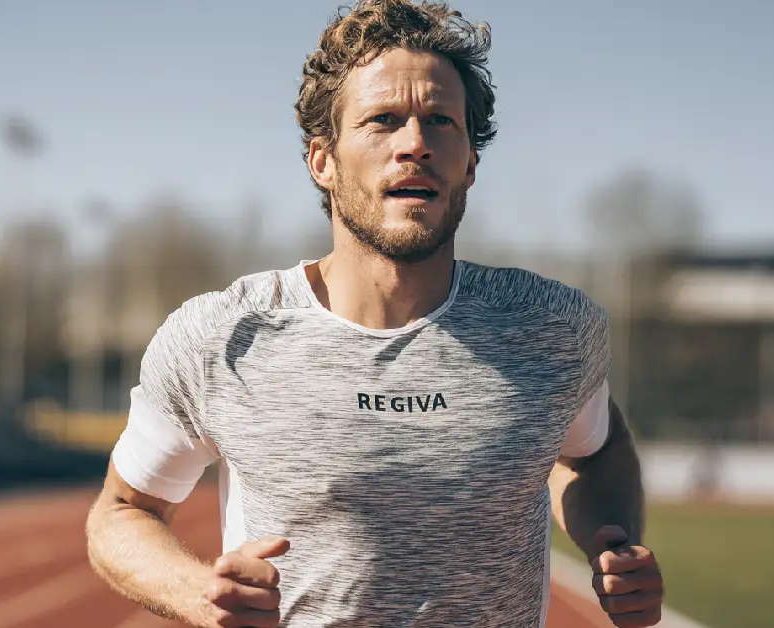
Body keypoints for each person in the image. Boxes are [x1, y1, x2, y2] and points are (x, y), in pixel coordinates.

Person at [85, 1, 665, 626]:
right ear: (323, 161)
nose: (415, 144)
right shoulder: (221, 337)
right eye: (383, 121)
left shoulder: (554, 329)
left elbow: (597, 450)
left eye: (441, 121)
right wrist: (199, 593)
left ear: (470, 162)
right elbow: (120, 514)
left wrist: (614, 542)